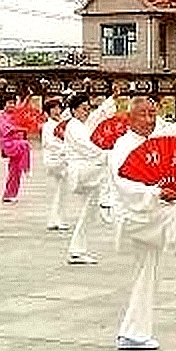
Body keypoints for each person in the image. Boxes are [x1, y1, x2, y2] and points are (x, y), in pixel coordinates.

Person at [111, 96, 176, 351]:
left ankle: (133, 334)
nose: (149, 120)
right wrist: (157, 194)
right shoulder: (122, 147)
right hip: (133, 215)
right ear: (129, 118)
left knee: (146, 275)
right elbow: (124, 184)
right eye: (142, 115)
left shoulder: (156, 142)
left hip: (150, 215)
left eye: (152, 114)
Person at [63, 88, 118, 264]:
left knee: (88, 214)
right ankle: (107, 201)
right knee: (109, 166)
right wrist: (107, 154)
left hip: (87, 171)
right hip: (80, 172)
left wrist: (113, 98)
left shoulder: (83, 124)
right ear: (73, 110)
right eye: (83, 109)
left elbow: (99, 115)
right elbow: (87, 148)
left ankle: (77, 251)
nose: (87, 112)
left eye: (88, 108)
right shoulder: (73, 126)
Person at [0, 95, 31, 205]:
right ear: (4, 104)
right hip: (9, 143)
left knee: (15, 171)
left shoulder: (15, 113)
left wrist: (29, 96)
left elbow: (22, 107)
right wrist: (21, 128)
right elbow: (7, 128)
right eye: (9, 103)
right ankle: (26, 167)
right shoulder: (1, 115)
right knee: (25, 145)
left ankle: (10, 195)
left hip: (17, 145)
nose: (11, 105)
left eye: (13, 103)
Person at [41, 98, 70, 231]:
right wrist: (66, 148)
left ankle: (55, 220)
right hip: (56, 160)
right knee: (62, 191)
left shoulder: (60, 123)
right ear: (48, 112)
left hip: (61, 158)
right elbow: (49, 143)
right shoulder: (48, 126)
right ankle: (58, 219)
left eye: (58, 108)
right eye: (53, 109)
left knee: (60, 191)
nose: (57, 111)